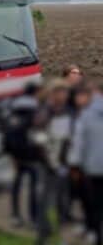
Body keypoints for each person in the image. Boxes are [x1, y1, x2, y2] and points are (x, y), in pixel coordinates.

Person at [31, 79, 72, 245]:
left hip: (61, 163)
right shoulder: (45, 113)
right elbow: (40, 140)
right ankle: (44, 237)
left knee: (60, 201)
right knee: (47, 202)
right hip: (47, 165)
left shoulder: (63, 111)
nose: (63, 96)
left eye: (65, 93)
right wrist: (53, 163)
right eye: (60, 92)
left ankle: (57, 235)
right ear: (53, 94)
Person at [70, 82, 103, 245]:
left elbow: (78, 144)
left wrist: (75, 165)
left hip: (93, 168)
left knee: (94, 203)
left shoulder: (85, 115)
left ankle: (96, 235)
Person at [4, 82, 41, 228]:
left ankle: (15, 215)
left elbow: (6, 133)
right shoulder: (35, 111)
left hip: (16, 156)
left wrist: (10, 153)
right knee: (33, 186)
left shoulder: (13, 109)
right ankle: (33, 218)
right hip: (31, 156)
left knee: (16, 185)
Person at [66, 82, 94, 238]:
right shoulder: (73, 114)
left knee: (93, 198)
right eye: (78, 95)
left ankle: (93, 228)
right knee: (82, 197)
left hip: (93, 163)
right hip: (79, 164)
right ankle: (86, 225)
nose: (80, 98)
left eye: (83, 95)